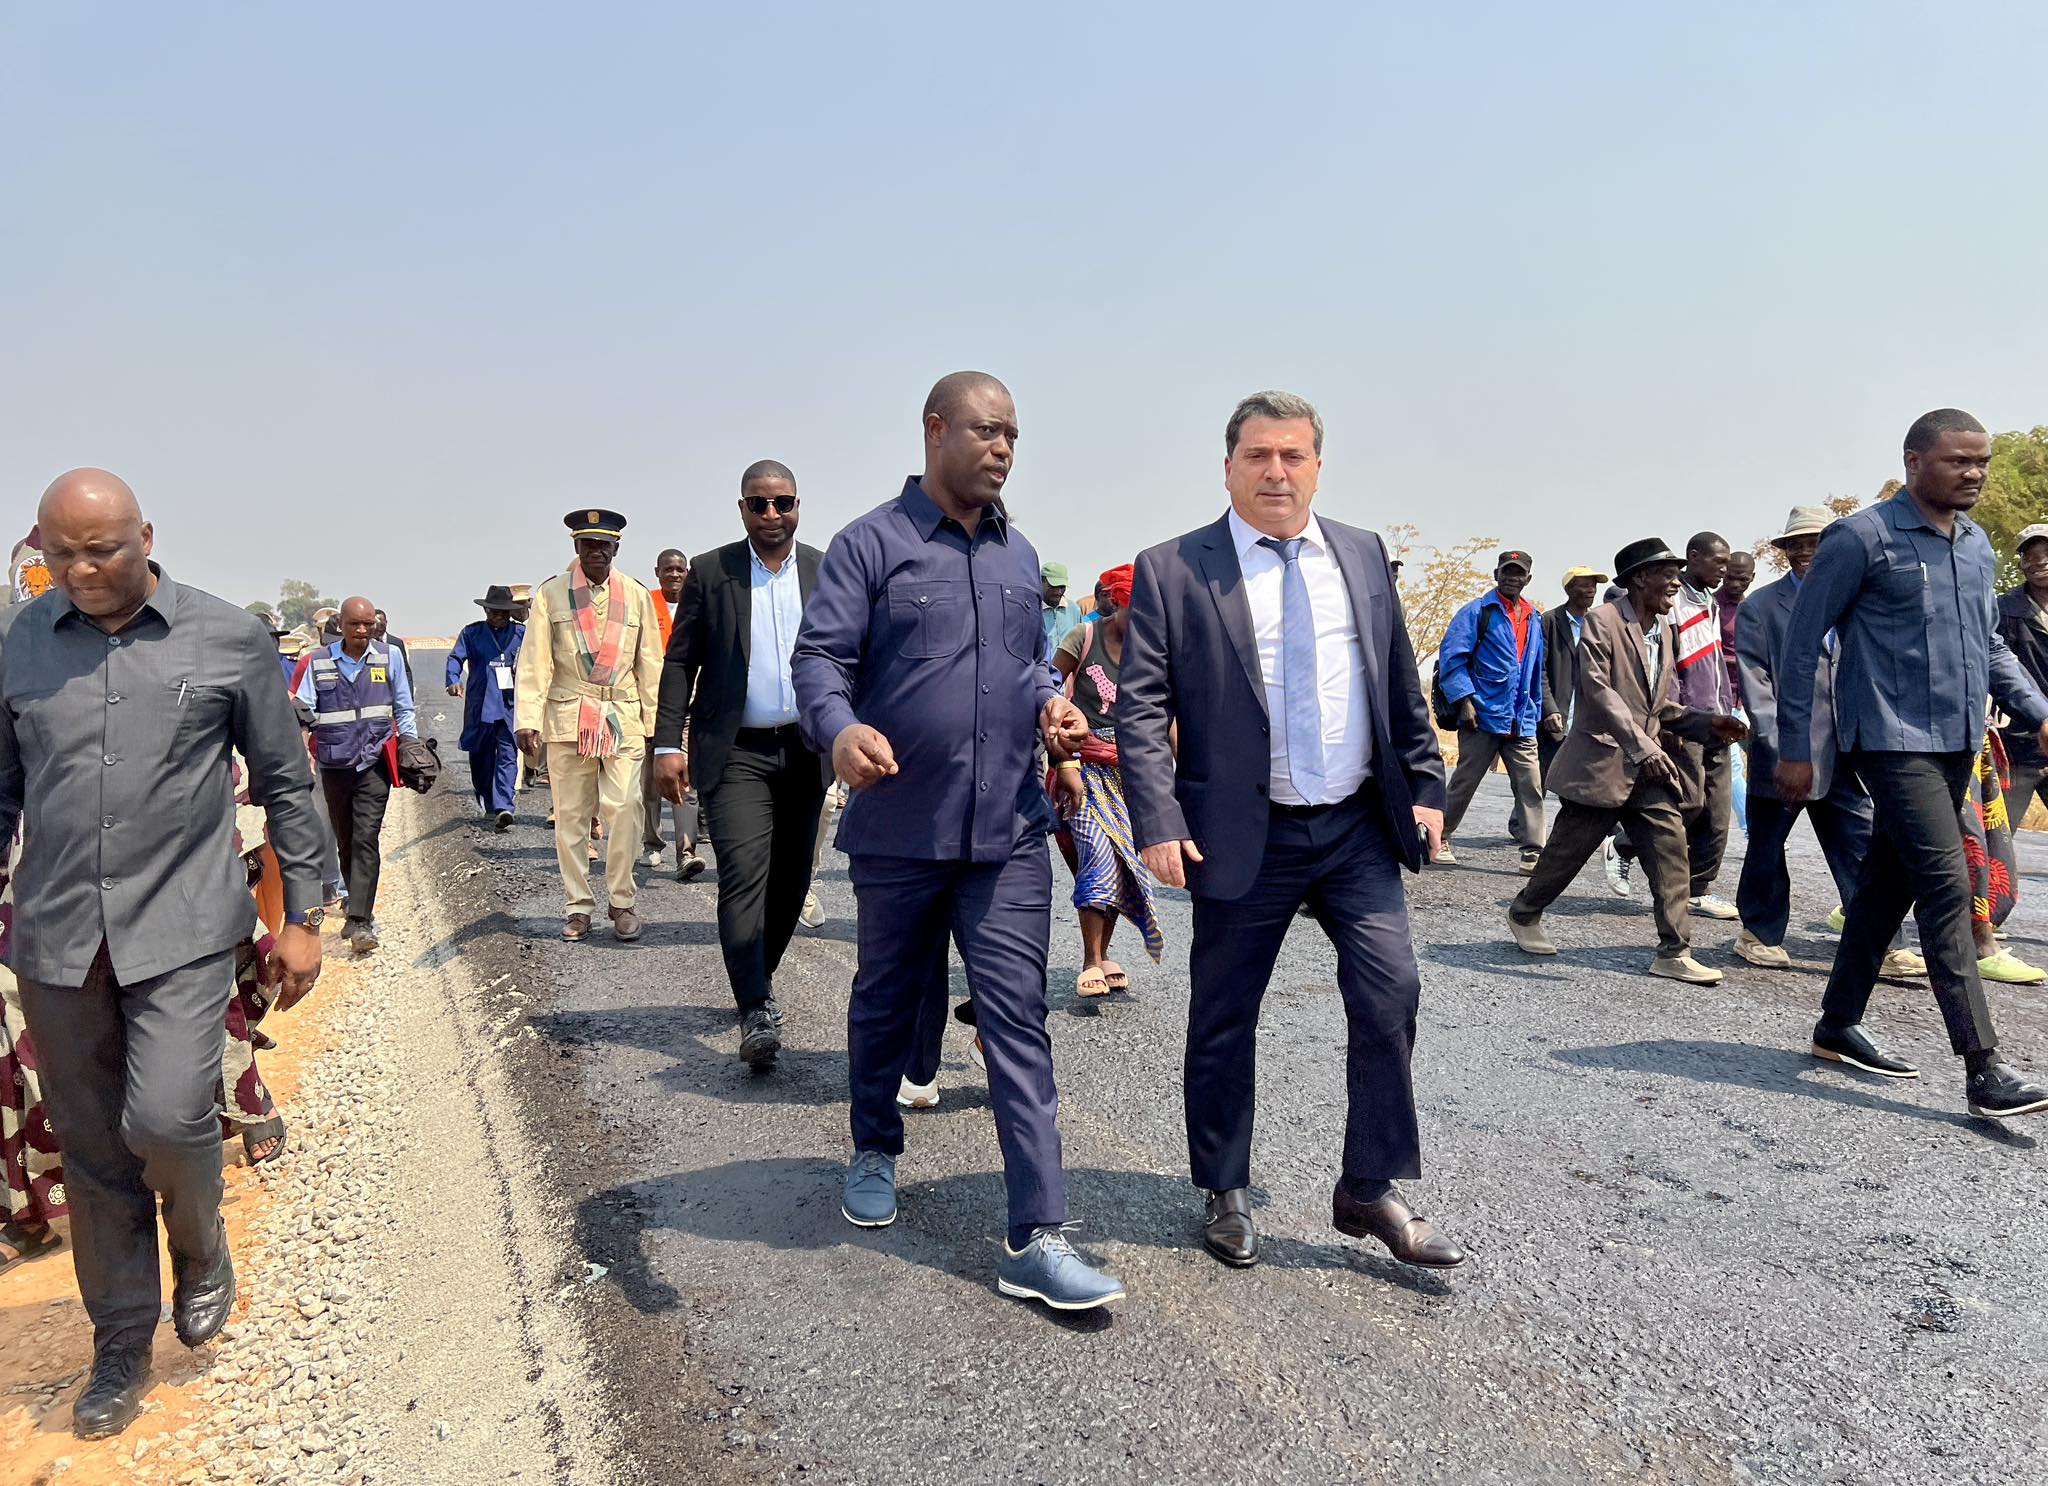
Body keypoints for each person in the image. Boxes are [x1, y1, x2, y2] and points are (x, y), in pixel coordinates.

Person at [0, 469, 326, 1439]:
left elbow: (286, 779)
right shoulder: (20, 642)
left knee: (173, 1117)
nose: (83, 570)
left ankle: (203, 1243)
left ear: (146, 534)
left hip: (183, 927)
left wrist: (305, 913)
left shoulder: (226, 635)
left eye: (101, 549)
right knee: (95, 1151)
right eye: (60, 555)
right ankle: (119, 1343)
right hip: (57, 937)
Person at [793, 370, 1123, 1312]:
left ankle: (1039, 1233)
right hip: (900, 829)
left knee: (1017, 1016)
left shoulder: (1021, 556)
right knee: (887, 1001)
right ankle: (872, 1147)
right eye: (986, 431)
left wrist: (1051, 706)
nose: (1004, 449)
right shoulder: (871, 546)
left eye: (1014, 434)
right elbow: (821, 659)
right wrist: (839, 730)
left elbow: (1019, 670)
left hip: (1008, 833)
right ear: (934, 431)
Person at [1120, 389, 1463, 1276]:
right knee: (1225, 1014)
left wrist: (1426, 787)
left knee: (1392, 994)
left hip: (1352, 825)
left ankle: (1367, 1185)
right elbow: (1143, 707)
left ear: (1317, 465)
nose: (1277, 472)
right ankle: (1224, 1187)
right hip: (1242, 833)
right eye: (1259, 456)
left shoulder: (1359, 552)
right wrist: (1157, 818)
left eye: (1294, 456)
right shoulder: (1173, 568)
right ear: (1228, 466)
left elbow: (1396, 685)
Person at [1776, 408, 2048, 1119]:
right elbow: (1801, 646)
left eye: (1982, 462)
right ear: (1915, 461)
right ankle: (1983, 1067)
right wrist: (1796, 749)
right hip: (1891, 740)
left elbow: (1989, 648)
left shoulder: (1978, 545)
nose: (1976, 474)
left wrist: (2041, 713)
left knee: (1884, 885)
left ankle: (1837, 1023)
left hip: (1957, 739)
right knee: (1947, 882)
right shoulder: (1860, 537)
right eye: (1960, 461)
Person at [654, 462, 831, 1069]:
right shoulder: (710, 572)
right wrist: (666, 745)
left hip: (808, 749)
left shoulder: (823, 568)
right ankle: (756, 1005)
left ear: (798, 506)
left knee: (792, 881)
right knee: (744, 874)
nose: (772, 515)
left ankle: (755, 973)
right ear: (742, 509)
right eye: (759, 504)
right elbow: (680, 663)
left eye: (783, 503)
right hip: (734, 752)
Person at [1507, 538, 1746, 983]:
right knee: (1564, 855)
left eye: (1677, 572)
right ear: (1639, 579)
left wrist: (1706, 723)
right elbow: (1599, 694)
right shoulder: (1602, 621)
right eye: (1666, 572)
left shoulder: (1666, 631)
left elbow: (1657, 707)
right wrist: (1642, 746)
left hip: (1646, 766)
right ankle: (1524, 913)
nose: (1675, 581)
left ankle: (1673, 951)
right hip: (1603, 763)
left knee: (1671, 851)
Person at [1732, 507, 1926, 978]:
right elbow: (1756, 682)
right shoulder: (1760, 606)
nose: (1804, 553)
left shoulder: (1859, 600)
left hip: (1847, 751)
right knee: (1768, 846)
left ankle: (1882, 942)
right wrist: (1782, 746)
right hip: (1787, 753)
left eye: (1814, 542)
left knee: (1860, 846)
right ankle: (1758, 933)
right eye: (1795, 545)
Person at [516, 509, 665, 943]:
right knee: (572, 818)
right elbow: (535, 662)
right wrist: (528, 718)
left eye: (605, 544)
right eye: (588, 544)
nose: (596, 551)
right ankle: (578, 906)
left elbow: (650, 665)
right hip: (568, 716)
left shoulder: (635, 595)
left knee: (624, 811)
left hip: (622, 716)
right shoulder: (551, 595)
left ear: (616, 548)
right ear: (576, 548)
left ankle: (622, 900)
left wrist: (658, 728)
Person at [1051, 565, 1164, 998]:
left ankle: (1103, 955)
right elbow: (1046, 690)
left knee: (1121, 864)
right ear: (1115, 602)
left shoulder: (1152, 651)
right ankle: (1089, 961)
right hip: (1082, 766)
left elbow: (1167, 717)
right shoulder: (1084, 638)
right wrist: (1064, 764)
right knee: (1097, 854)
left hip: (1131, 774)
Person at [295, 596, 418, 954]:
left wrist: (408, 743)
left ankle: (361, 920)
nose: (362, 631)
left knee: (366, 837)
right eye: (355, 625)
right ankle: (355, 903)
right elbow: (303, 710)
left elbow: (403, 705)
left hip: (374, 761)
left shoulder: (389, 656)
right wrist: (303, 750)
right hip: (334, 764)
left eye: (367, 624)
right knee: (345, 839)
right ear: (341, 625)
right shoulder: (317, 663)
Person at [1434, 551, 1546, 872]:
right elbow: (1453, 659)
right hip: (1481, 716)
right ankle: (1440, 837)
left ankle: (1533, 851)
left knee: (1531, 786)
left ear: (1528, 578)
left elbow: (1535, 671)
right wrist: (1464, 701)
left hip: (1520, 719)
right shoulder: (1476, 612)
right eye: (1507, 572)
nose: (1512, 577)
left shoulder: (1534, 618)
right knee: (1466, 780)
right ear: (1496, 574)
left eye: (1519, 573)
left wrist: (1535, 712)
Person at [1670, 531, 1740, 919]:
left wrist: (1729, 708)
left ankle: (1698, 889)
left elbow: (1715, 667)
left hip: (1719, 718)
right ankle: (1626, 842)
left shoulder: (1711, 603)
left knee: (1717, 810)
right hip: (1688, 720)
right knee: (1689, 802)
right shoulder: (1672, 600)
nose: (1724, 570)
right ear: (1693, 558)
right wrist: (1677, 716)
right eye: (1718, 562)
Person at [643, 549, 705, 877]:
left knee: (684, 780)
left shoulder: (698, 603)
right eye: (669, 569)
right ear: (658, 572)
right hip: (649, 704)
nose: (676, 575)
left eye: (681, 569)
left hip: (687, 704)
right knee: (650, 783)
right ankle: (652, 844)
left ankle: (686, 852)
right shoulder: (645, 604)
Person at [446, 584, 526, 829]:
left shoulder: (521, 633)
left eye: (504, 612)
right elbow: (455, 658)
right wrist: (453, 679)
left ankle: (504, 806)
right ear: (486, 611)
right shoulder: (472, 633)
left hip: (510, 705)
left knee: (508, 754)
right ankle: (489, 802)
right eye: (494, 612)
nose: (499, 617)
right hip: (480, 704)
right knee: (480, 757)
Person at [1995, 522, 2048, 826]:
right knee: (1996, 835)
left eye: (2045, 553)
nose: (2038, 561)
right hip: (2019, 745)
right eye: (2030, 555)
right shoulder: (2002, 610)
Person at [1538, 566, 1606, 787]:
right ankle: (1523, 824)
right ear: (1568, 589)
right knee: (1539, 782)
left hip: (1587, 720)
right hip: (1555, 720)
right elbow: (1539, 670)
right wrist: (1550, 708)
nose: (1591, 591)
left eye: (1593, 586)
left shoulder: (1598, 623)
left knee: (1584, 786)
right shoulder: (1549, 621)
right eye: (1584, 585)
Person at [1040, 561, 1084, 651]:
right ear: (1041, 581)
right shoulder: (1031, 610)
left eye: (1062, 587)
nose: (1058, 592)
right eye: (1053, 586)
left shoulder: (1074, 609)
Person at [371, 609, 414, 692]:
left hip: (393, 689)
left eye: (381, 625)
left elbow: (405, 671)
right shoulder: (367, 643)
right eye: (376, 625)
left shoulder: (396, 643)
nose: (379, 628)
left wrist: (409, 695)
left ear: (386, 623)